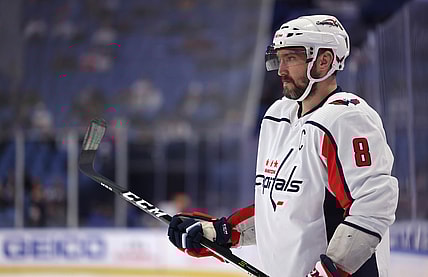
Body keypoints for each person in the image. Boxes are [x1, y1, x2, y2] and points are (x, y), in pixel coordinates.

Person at [167, 15, 398, 277]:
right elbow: (282, 208)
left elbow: (372, 206)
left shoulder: (347, 119)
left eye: (292, 58)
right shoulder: (278, 116)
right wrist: (223, 232)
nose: (281, 69)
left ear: (324, 61)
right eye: (280, 57)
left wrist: (330, 271)